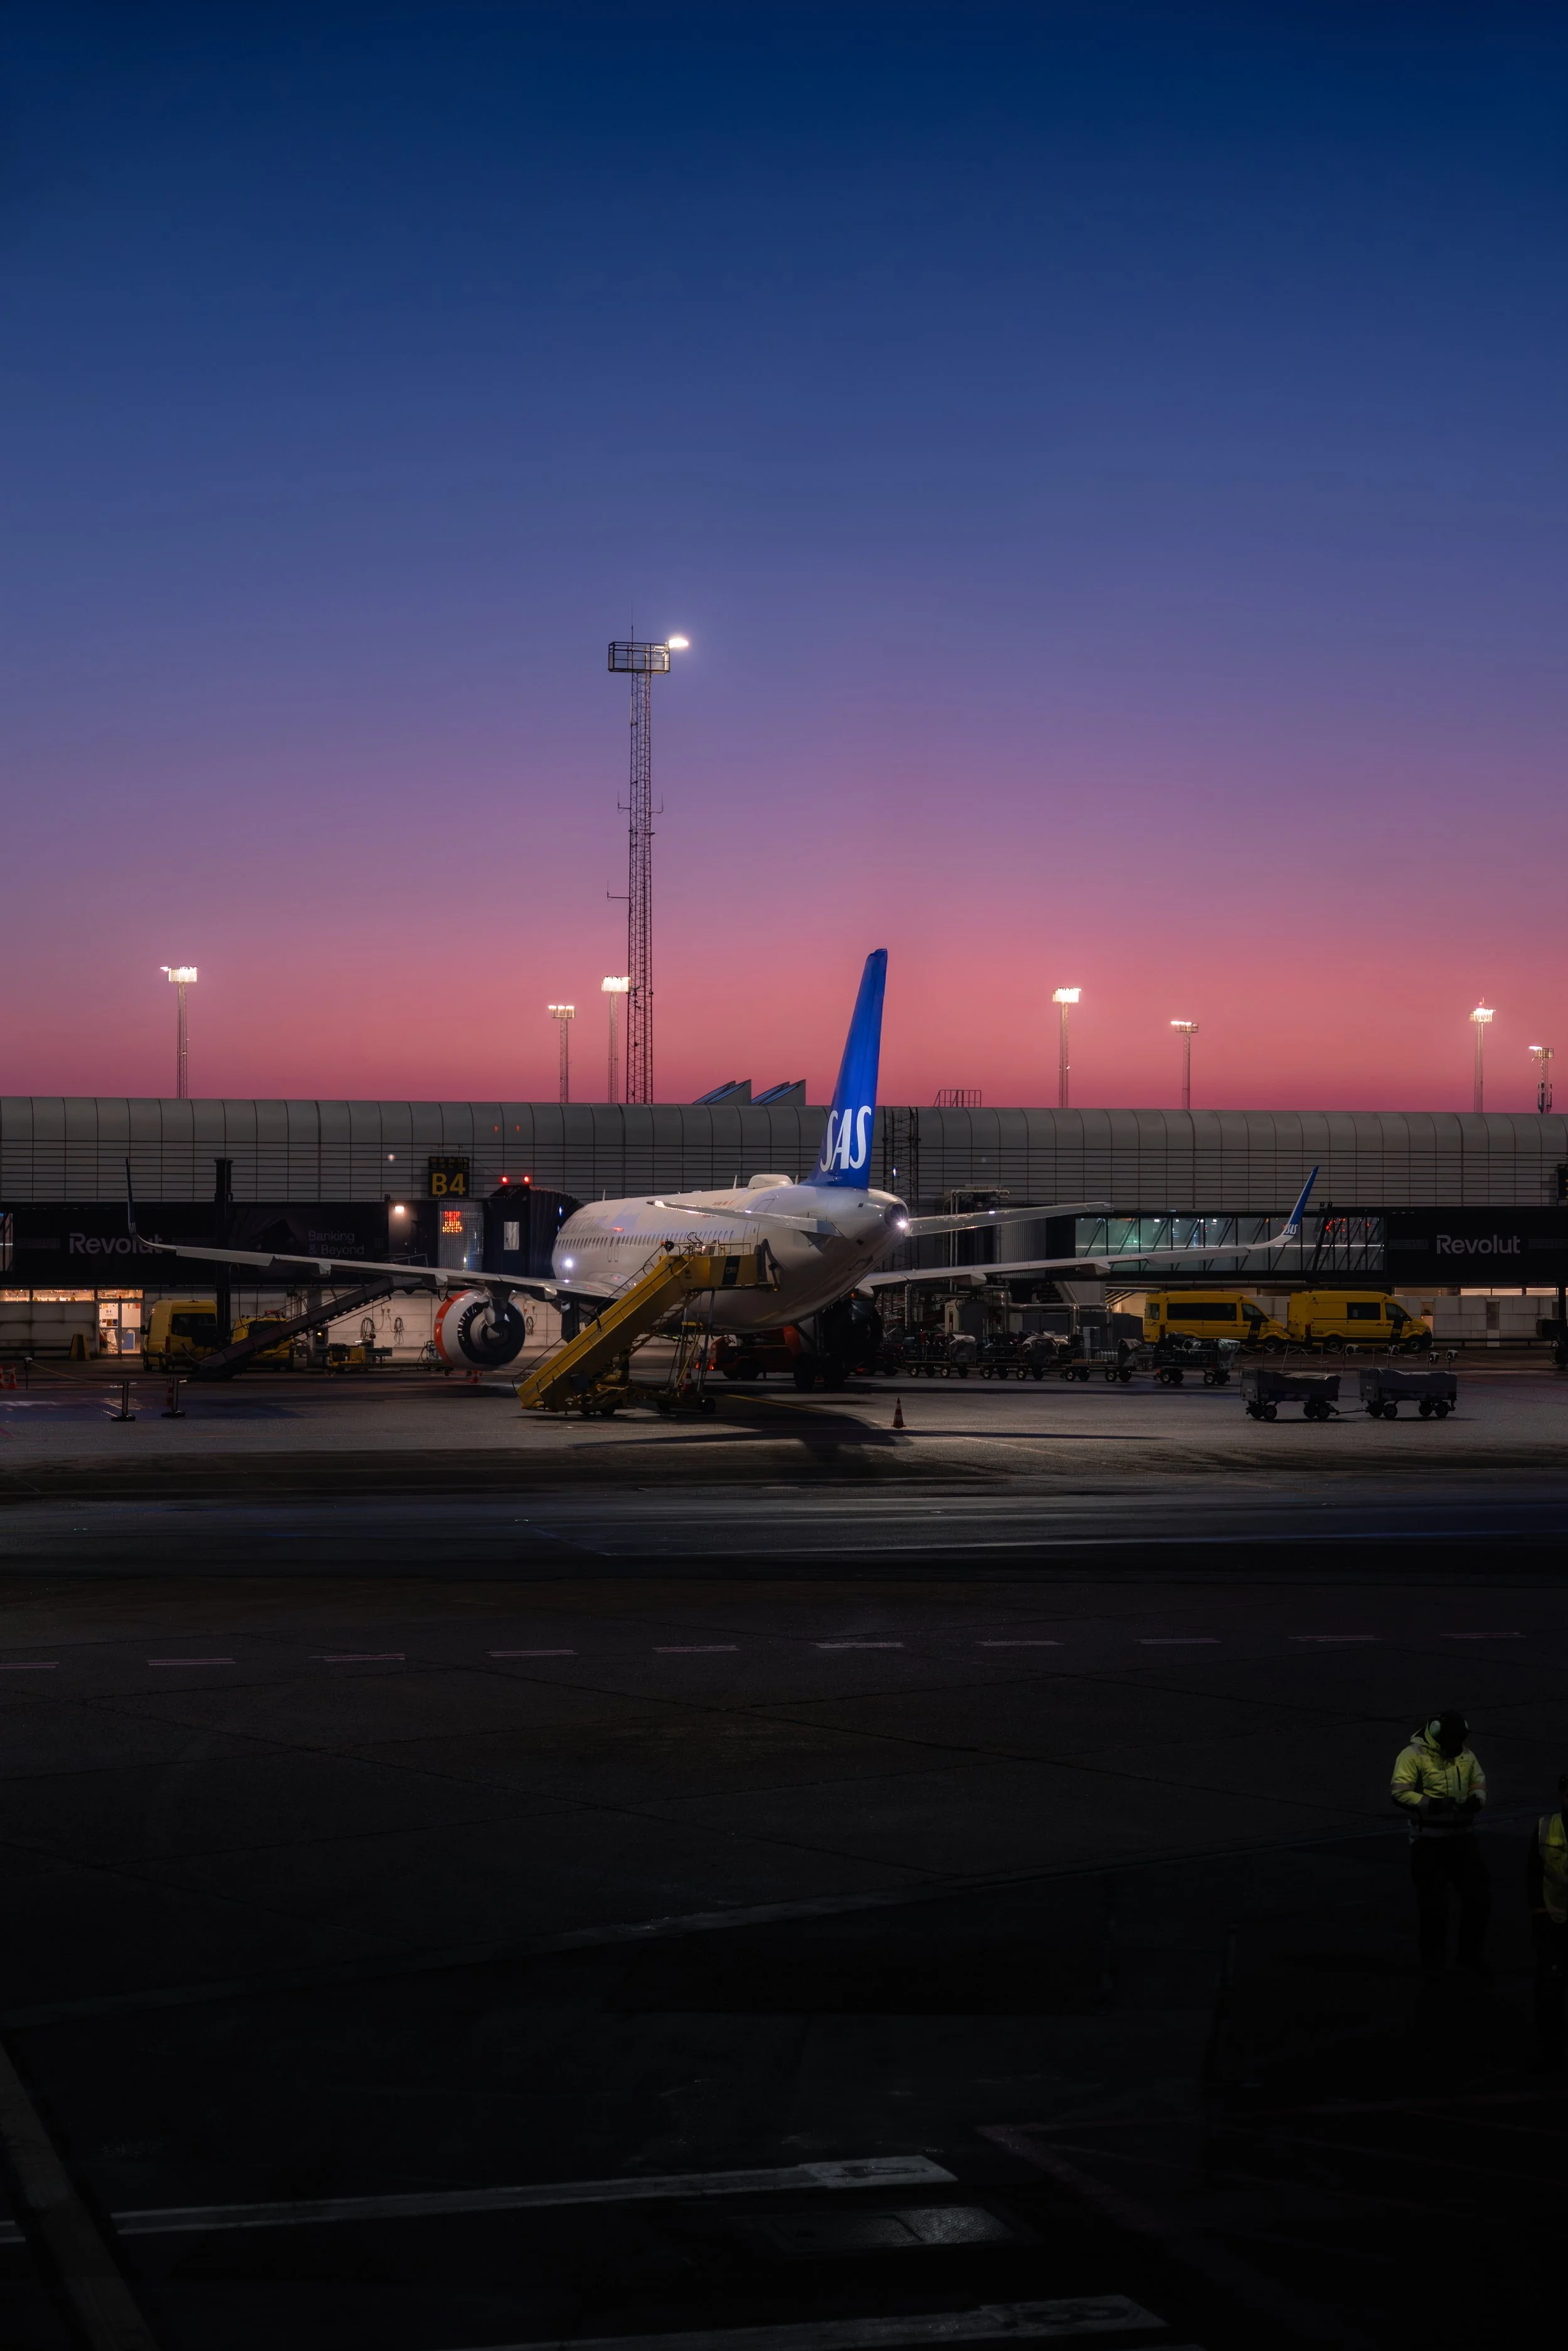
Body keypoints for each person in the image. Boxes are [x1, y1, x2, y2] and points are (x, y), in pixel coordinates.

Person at [1390, 1711, 1489, 1978]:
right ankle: (1433, 1963)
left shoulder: (1465, 1755)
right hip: (1428, 1842)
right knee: (1434, 1906)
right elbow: (1399, 1794)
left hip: (1462, 1838)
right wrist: (1432, 1804)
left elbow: (1479, 1783)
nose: (1456, 1746)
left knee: (1477, 1899)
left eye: (1460, 1740)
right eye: (1452, 1741)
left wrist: (1475, 1801)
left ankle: (1470, 1956)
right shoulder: (1412, 1755)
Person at [1527, 1773, 1568, 2066]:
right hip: (1555, 1917)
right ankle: (1550, 2046)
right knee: (1550, 1986)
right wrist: (1539, 1911)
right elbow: (1533, 1871)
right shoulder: (1546, 1827)